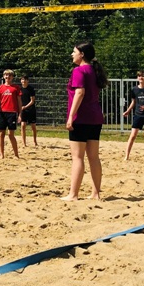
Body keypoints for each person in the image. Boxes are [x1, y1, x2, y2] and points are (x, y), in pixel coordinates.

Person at [62, 41, 107, 201]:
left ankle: (73, 194)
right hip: (95, 118)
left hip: (81, 118)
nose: (72, 54)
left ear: (82, 54)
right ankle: (96, 193)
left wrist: (70, 116)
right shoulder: (95, 70)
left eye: (74, 52)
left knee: (77, 157)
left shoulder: (79, 70)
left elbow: (80, 93)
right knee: (94, 157)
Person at [122, 70, 144, 162]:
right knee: (133, 135)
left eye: (143, 76)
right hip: (138, 115)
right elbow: (133, 102)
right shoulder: (134, 89)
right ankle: (127, 156)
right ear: (137, 78)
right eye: (139, 76)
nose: (141, 78)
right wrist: (128, 111)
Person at [19, 74, 38, 146]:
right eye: (22, 79)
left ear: (27, 81)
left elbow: (32, 101)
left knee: (33, 126)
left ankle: (35, 141)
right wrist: (20, 107)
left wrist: (25, 107)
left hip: (30, 109)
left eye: (25, 79)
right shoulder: (19, 89)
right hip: (23, 109)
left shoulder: (31, 89)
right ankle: (24, 143)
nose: (23, 81)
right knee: (23, 125)